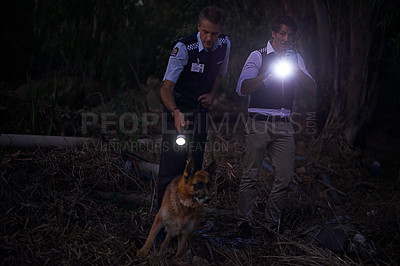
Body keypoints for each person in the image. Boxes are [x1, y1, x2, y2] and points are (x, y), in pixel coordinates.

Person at [235, 15, 316, 238]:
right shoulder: (257, 55)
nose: (285, 38)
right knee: (250, 175)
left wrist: (295, 68)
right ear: (273, 34)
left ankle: (271, 224)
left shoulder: (296, 58)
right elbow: (242, 87)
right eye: (282, 33)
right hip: (258, 122)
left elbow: (312, 88)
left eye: (290, 34)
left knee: (285, 177)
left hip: (283, 125)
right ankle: (244, 223)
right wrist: (265, 77)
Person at [157, 6, 230, 210]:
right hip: (178, 108)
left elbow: (219, 74)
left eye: (214, 34)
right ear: (198, 27)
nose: (209, 38)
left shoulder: (225, 44)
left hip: (201, 111)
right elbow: (165, 88)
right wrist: (175, 112)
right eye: (205, 32)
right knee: (173, 166)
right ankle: (162, 220)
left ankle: (188, 217)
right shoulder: (183, 48)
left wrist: (212, 95)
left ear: (220, 32)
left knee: (195, 166)